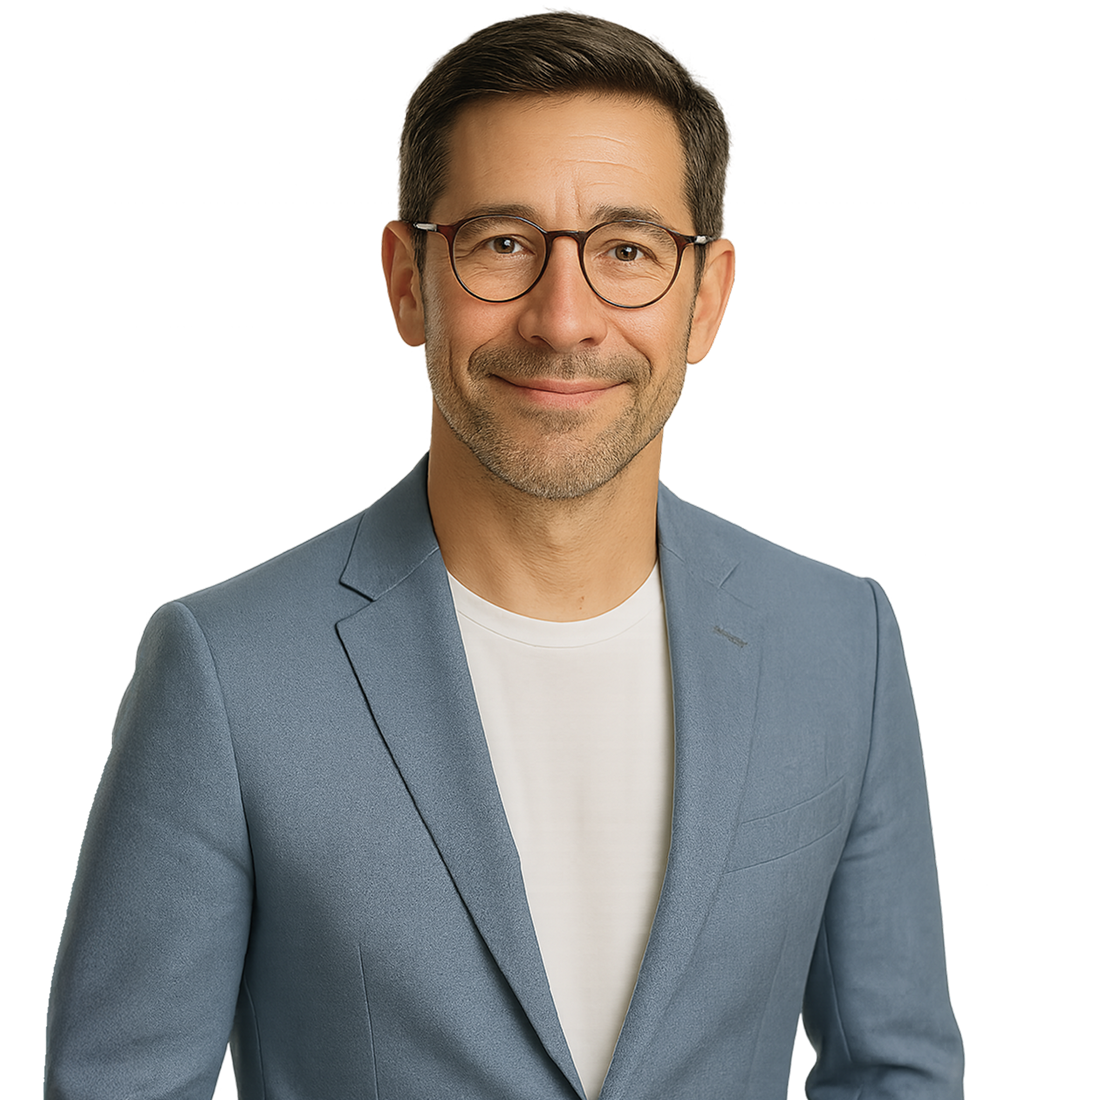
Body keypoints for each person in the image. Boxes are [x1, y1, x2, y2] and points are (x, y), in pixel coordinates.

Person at [45, 10, 963, 1099]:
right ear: (406, 281)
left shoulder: (842, 640)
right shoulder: (223, 669)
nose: (563, 319)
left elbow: (898, 1068)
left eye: (627, 250)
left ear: (707, 299)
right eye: (502, 245)